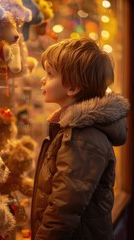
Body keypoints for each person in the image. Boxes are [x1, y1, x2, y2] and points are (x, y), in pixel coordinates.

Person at [30, 38, 130, 240]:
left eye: (50, 74)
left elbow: (64, 208)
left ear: (73, 87)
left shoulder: (83, 138)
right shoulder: (73, 130)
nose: (43, 79)